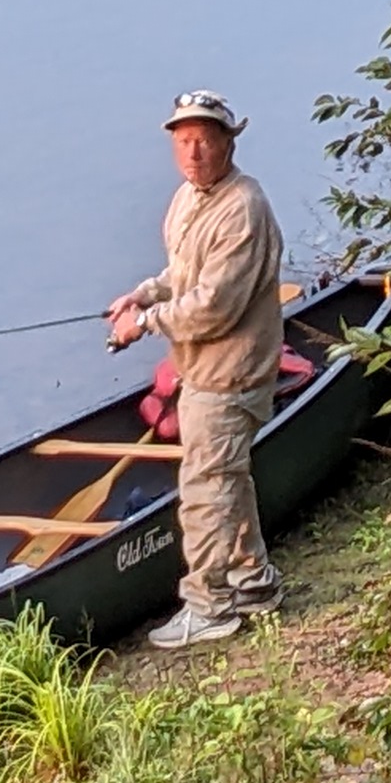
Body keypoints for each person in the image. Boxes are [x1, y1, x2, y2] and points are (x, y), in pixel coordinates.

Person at [107, 89, 288, 648]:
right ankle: (254, 582)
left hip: (232, 374)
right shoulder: (188, 199)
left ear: (228, 142)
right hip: (201, 371)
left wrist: (147, 323)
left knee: (205, 489)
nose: (194, 151)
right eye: (184, 140)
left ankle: (209, 607)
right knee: (225, 477)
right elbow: (182, 272)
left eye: (205, 139)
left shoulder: (244, 208)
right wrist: (141, 294)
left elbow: (213, 304)